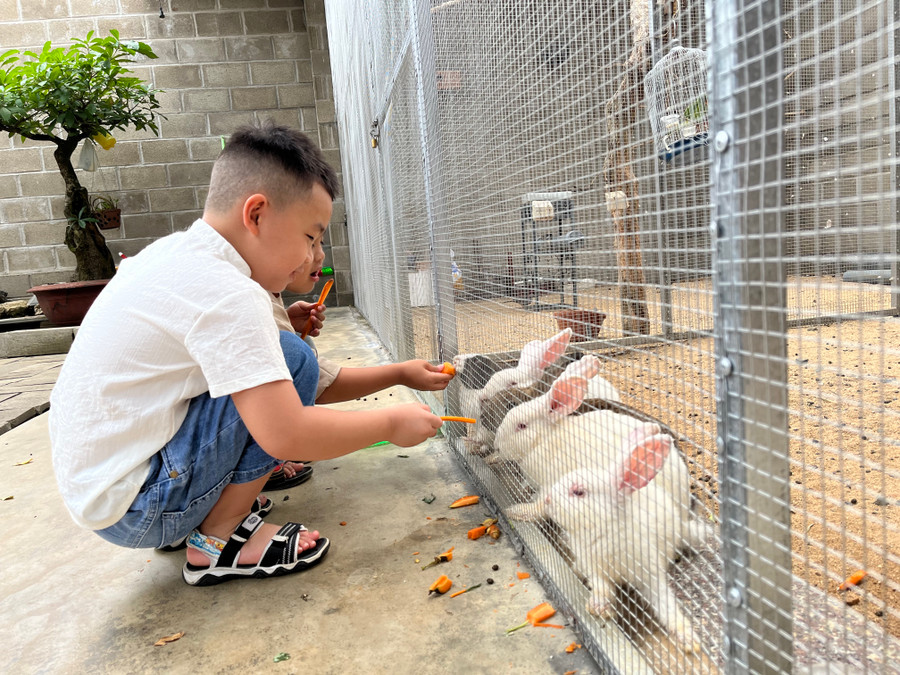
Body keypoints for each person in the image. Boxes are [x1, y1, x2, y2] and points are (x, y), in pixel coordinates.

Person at [49, 122, 446, 586]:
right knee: (293, 357)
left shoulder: (176, 254)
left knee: (287, 353)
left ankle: (206, 512)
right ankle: (219, 539)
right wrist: (391, 423)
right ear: (256, 214)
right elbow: (286, 433)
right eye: (310, 237)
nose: (313, 255)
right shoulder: (229, 293)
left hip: (109, 492)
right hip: (141, 507)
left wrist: (397, 375)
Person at [265, 238, 454, 490]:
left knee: (300, 347)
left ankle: (266, 459)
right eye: (309, 239)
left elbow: (319, 381)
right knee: (294, 350)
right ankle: (248, 488)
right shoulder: (246, 296)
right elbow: (300, 410)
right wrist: (390, 424)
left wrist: (286, 322)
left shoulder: (264, 291)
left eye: (321, 243)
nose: (321, 256)